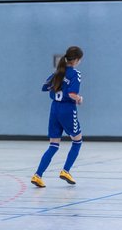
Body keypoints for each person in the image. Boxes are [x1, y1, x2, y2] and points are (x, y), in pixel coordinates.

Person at [31, 46, 84, 188]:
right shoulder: (75, 74)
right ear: (77, 60)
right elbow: (72, 94)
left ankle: (38, 175)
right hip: (67, 109)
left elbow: (44, 87)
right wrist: (79, 99)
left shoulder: (58, 73)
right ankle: (66, 171)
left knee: (53, 145)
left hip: (54, 109)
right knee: (77, 141)